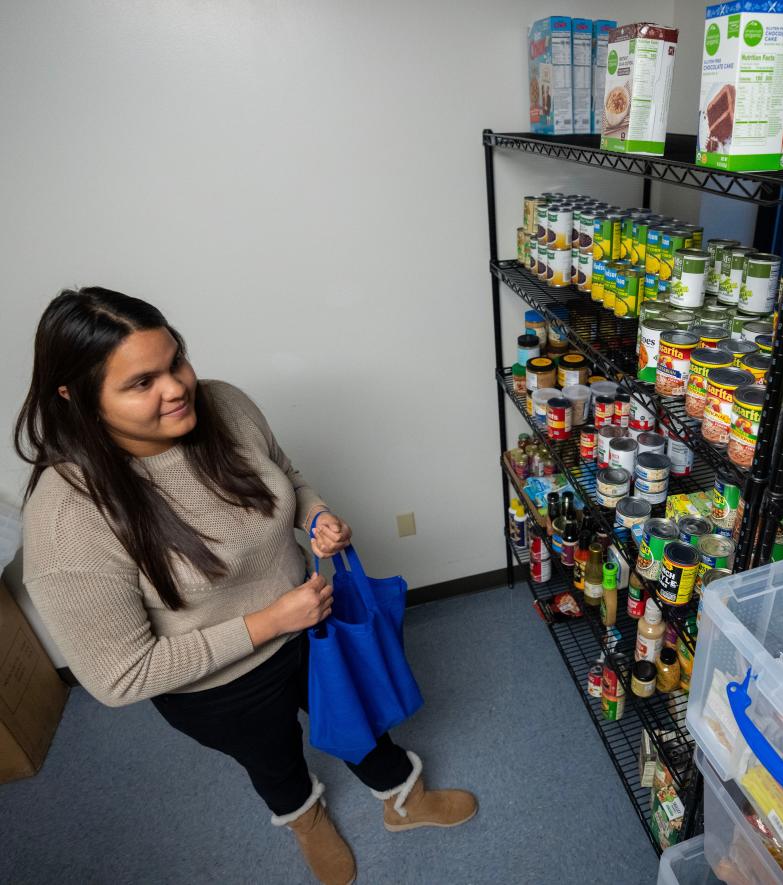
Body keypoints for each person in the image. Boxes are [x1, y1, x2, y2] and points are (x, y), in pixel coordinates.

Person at [14, 288, 476, 885]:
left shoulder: (224, 404)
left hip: (314, 625)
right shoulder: (67, 517)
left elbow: (283, 475)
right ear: (74, 396)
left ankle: (402, 799)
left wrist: (313, 518)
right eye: (141, 383)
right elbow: (118, 676)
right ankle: (307, 821)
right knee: (273, 760)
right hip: (219, 687)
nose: (178, 388)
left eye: (176, 360)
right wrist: (271, 621)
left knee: (361, 722)